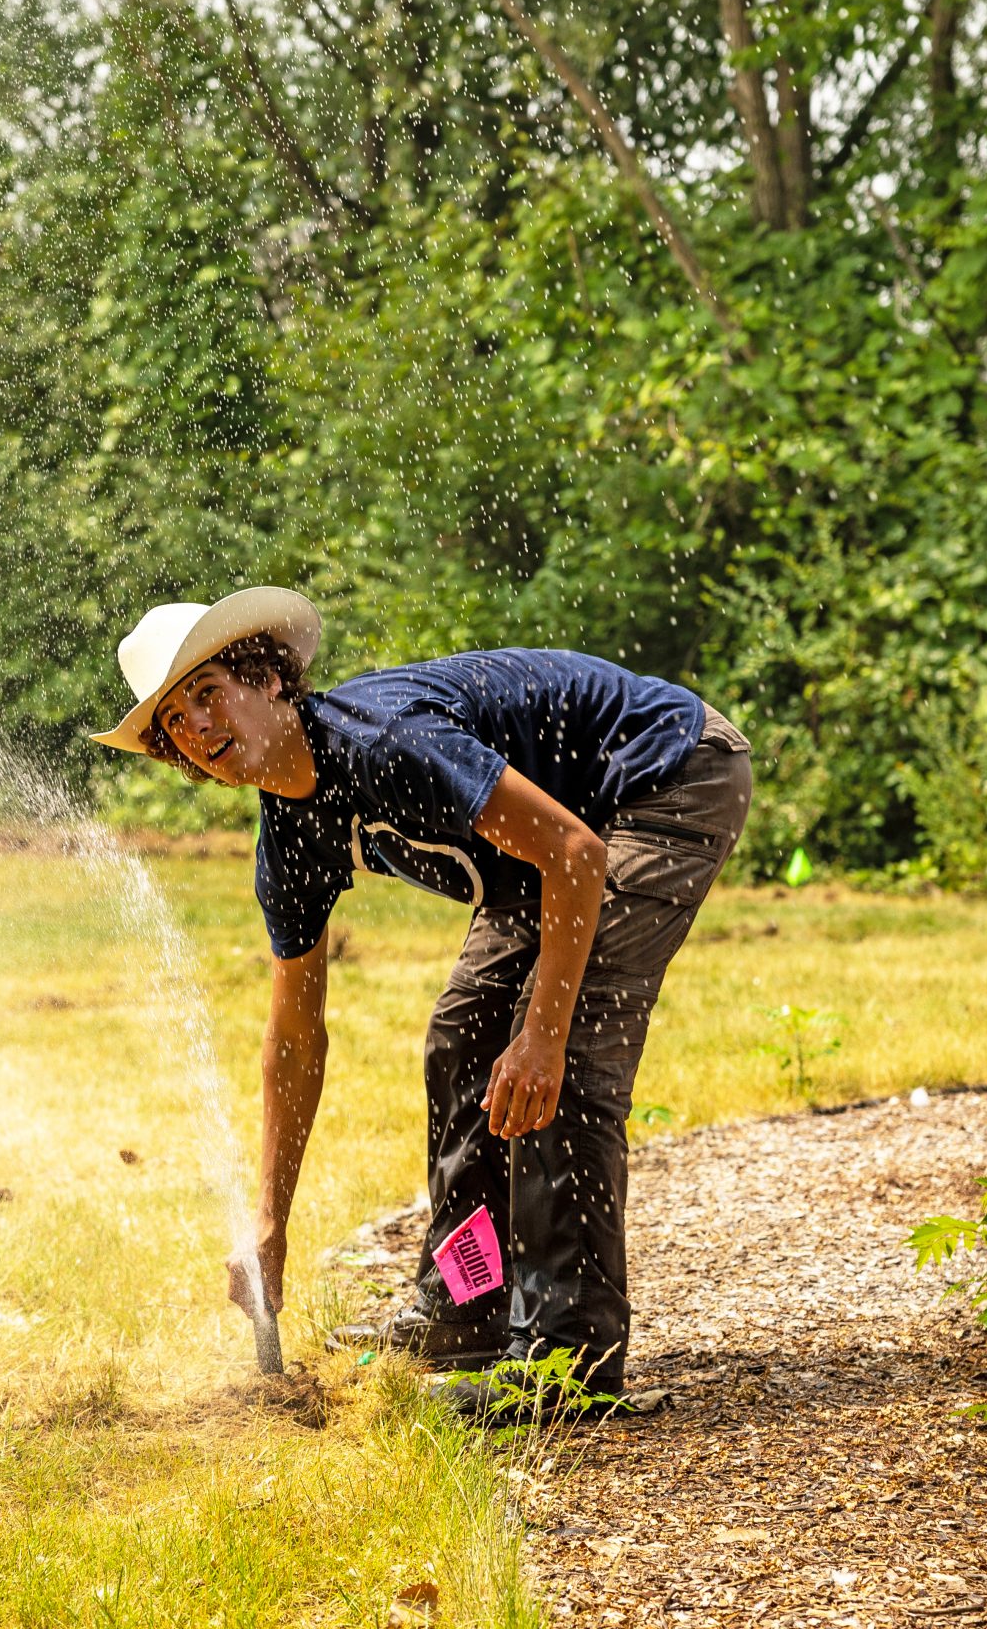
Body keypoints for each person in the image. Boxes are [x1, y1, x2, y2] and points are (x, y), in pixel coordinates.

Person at [91, 587, 752, 1420]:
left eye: (208, 691)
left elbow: (577, 853)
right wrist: (269, 1223)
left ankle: (566, 1361)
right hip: (551, 848)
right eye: (176, 721)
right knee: (463, 1041)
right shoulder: (290, 839)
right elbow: (294, 1040)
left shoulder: (386, 744)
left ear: (267, 681)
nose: (198, 726)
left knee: (563, 1056)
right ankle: (466, 1306)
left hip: (665, 774)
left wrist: (544, 1038)